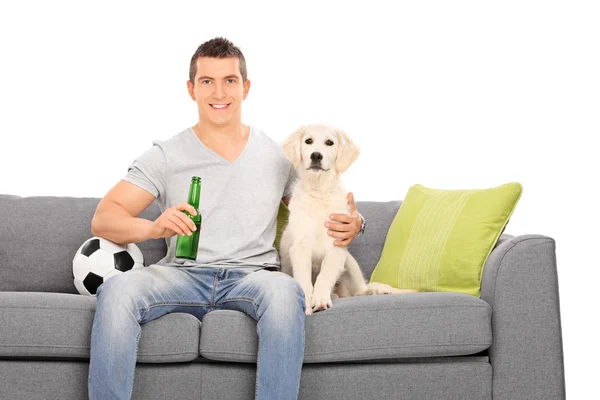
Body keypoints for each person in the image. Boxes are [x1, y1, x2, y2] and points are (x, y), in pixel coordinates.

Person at [88, 37, 365, 400]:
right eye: (207, 81)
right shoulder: (165, 155)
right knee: (118, 289)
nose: (219, 92)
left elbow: (320, 201)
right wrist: (154, 227)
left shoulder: (278, 156)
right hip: (181, 274)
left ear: (245, 87)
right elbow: (105, 217)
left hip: (253, 277)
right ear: (191, 89)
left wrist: (358, 224)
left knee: (286, 292)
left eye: (230, 80)